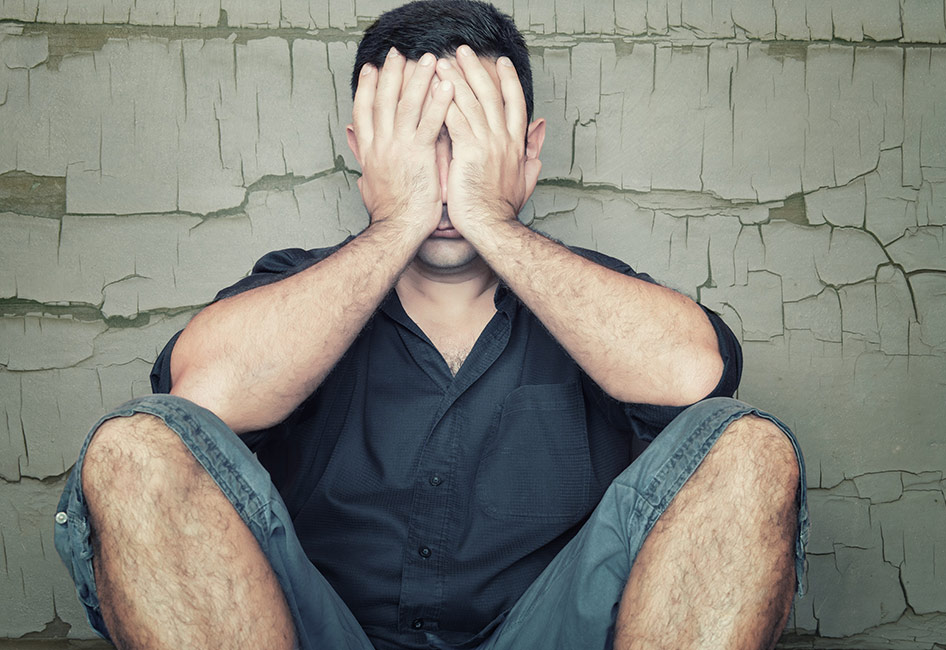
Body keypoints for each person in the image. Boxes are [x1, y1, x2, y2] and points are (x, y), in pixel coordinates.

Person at [55, 1, 808, 648]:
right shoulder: (294, 287)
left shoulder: (592, 295)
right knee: (134, 450)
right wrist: (399, 221)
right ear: (365, 150)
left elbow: (696, 378)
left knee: (753, 452)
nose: (445, 177)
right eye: (419, 144)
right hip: (317, 633)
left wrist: (490, 218)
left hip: (548, 634)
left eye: (470, 141)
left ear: (528, 150)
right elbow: (192, 402)